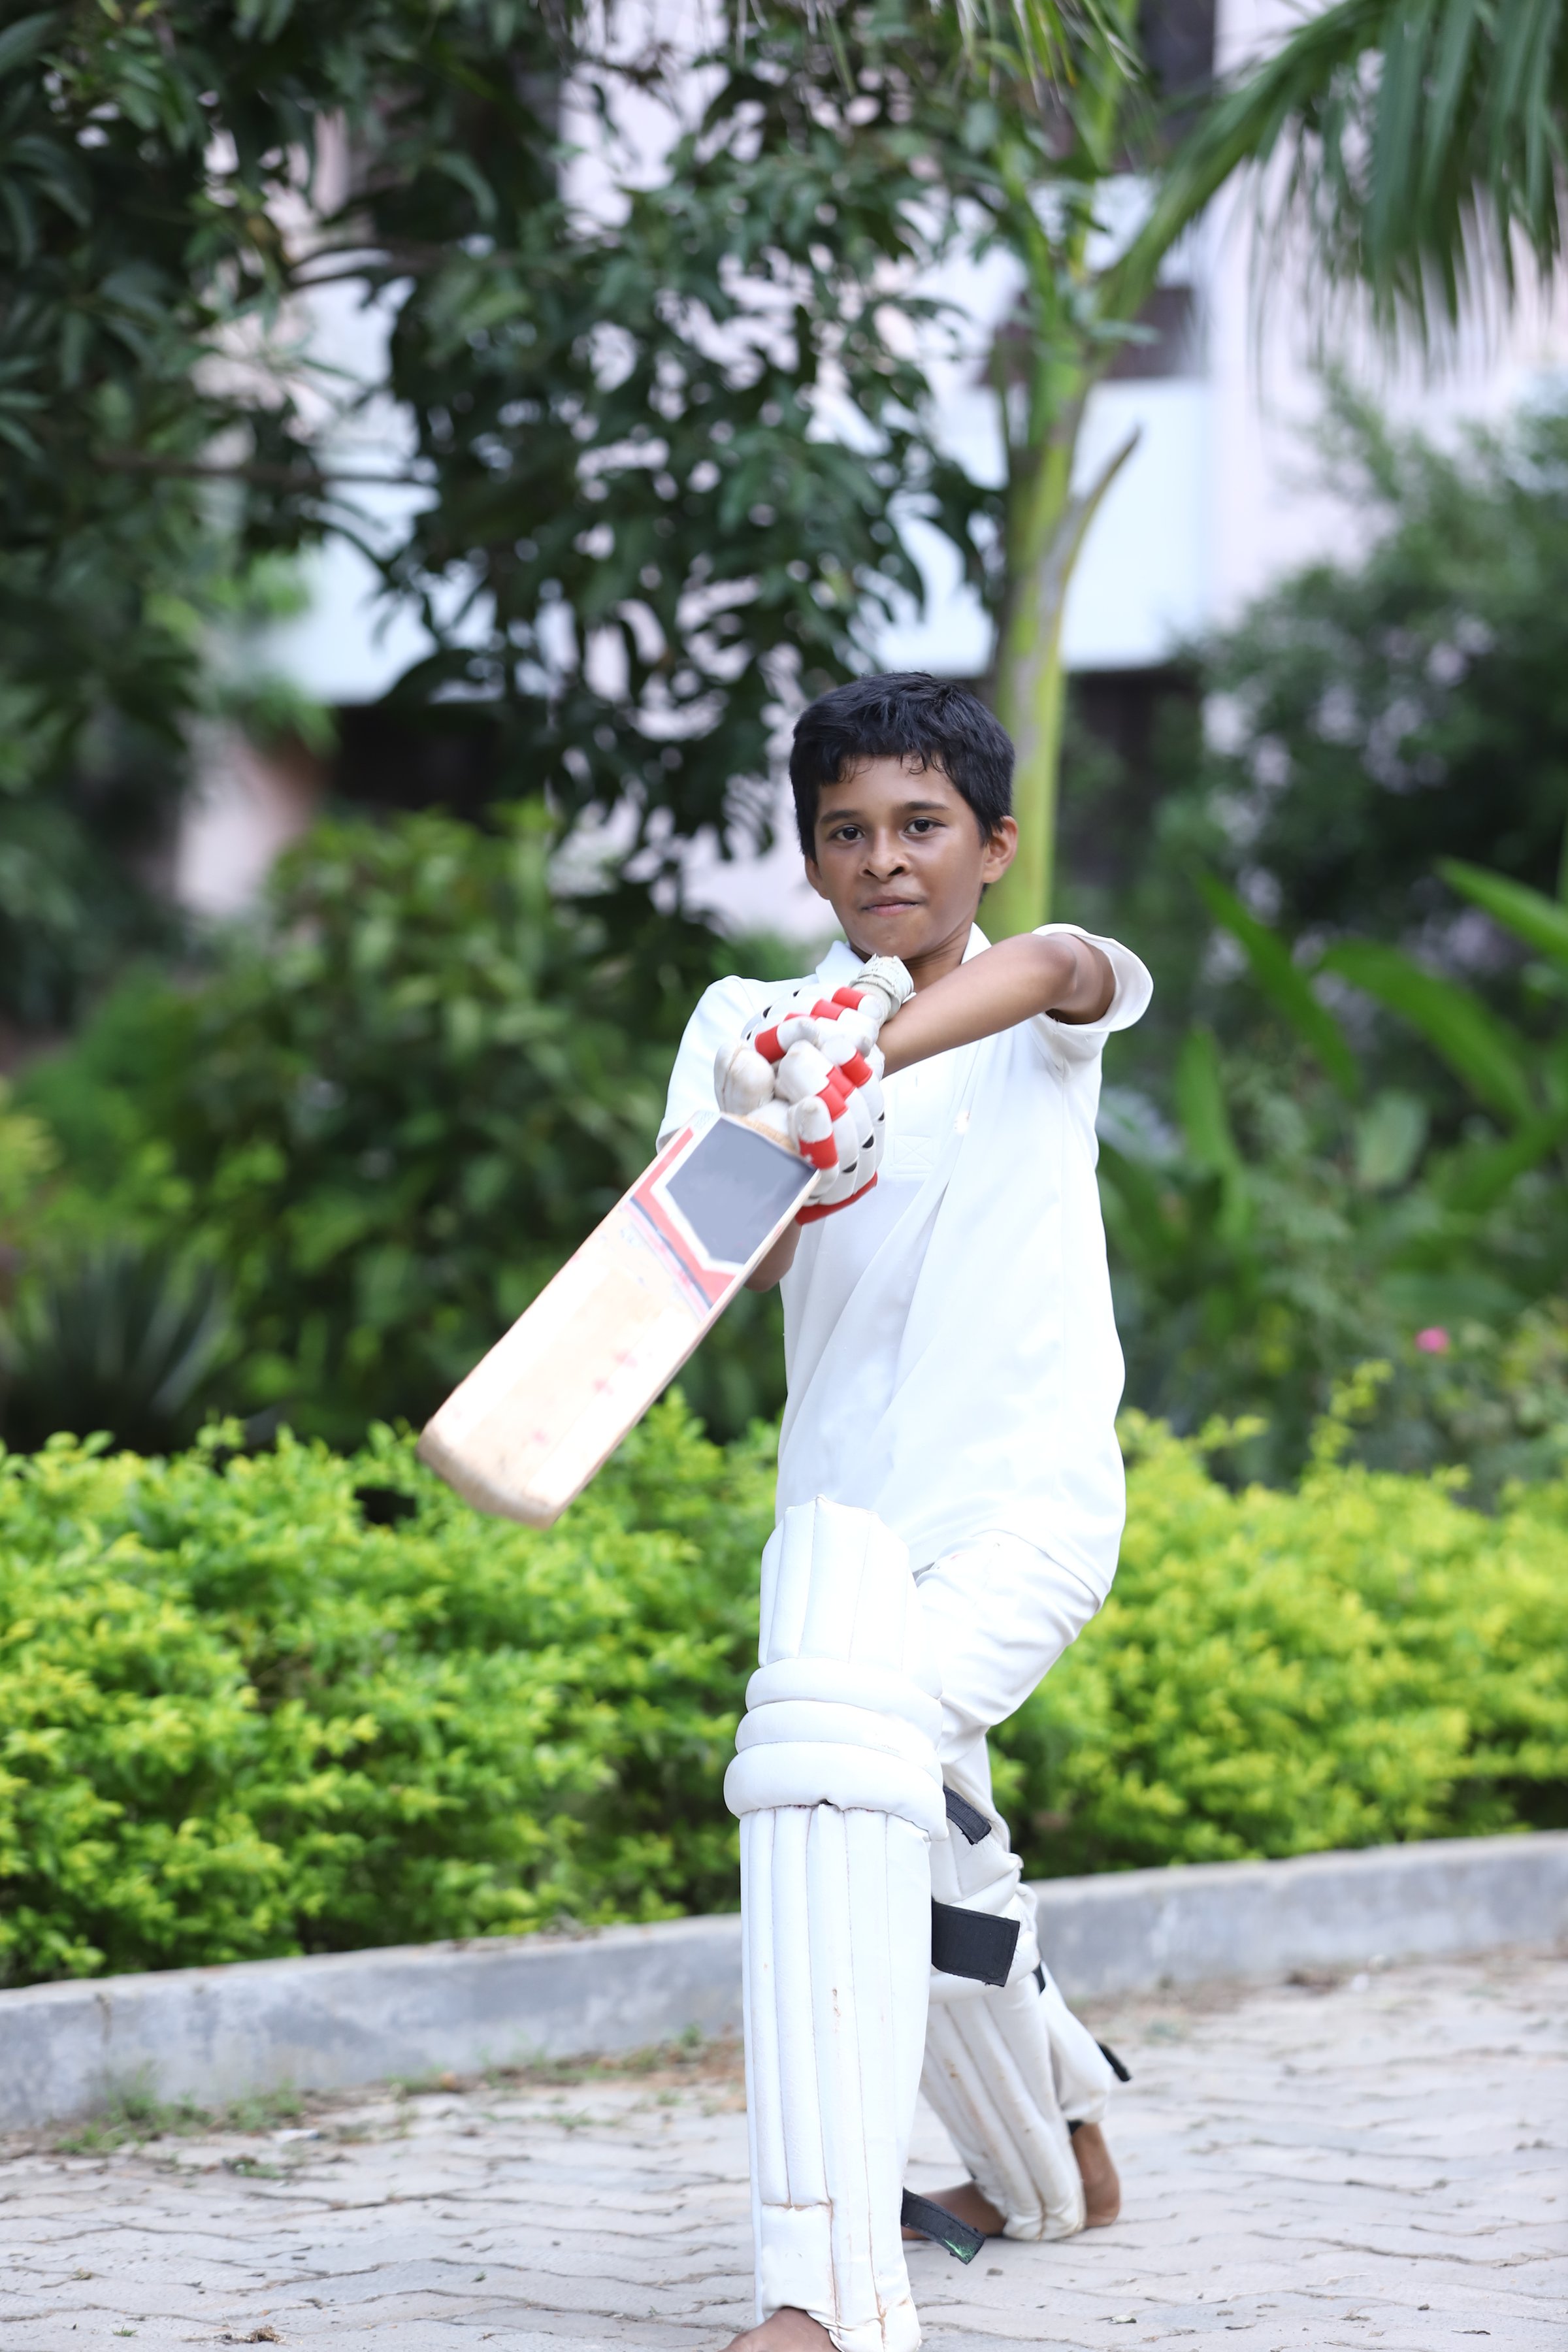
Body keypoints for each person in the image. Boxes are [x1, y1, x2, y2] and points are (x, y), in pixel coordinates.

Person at [658, 673, 1152, 2352]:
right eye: (849, 833)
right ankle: (1061, 2145)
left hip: (1024, 1509)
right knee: (922, 1838)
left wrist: (863, 1043)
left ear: (992, 844)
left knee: (831, 1785)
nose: (886, 860)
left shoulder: (1043, 1005)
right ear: (810, 860)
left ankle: (827, 2297)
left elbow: (1057, 969)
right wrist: (786, 1123)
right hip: (843, 1537)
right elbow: (722, 1269)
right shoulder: (744, 1023)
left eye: (923, 827)